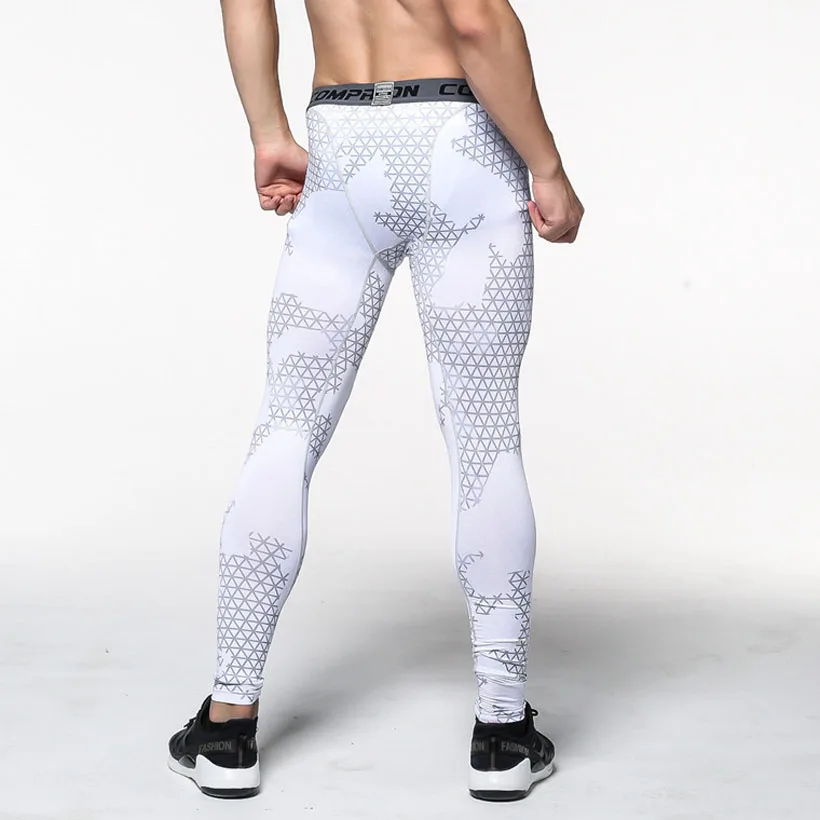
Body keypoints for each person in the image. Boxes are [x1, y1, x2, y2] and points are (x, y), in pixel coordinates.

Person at [167, 0, 584, 802]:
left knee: (286, 427)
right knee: (485, 438)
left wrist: (267, 130)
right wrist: (549, 168)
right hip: (458, 139)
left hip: (340, 139)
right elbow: (473, 22)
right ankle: (502, 732)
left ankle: (227, 724)